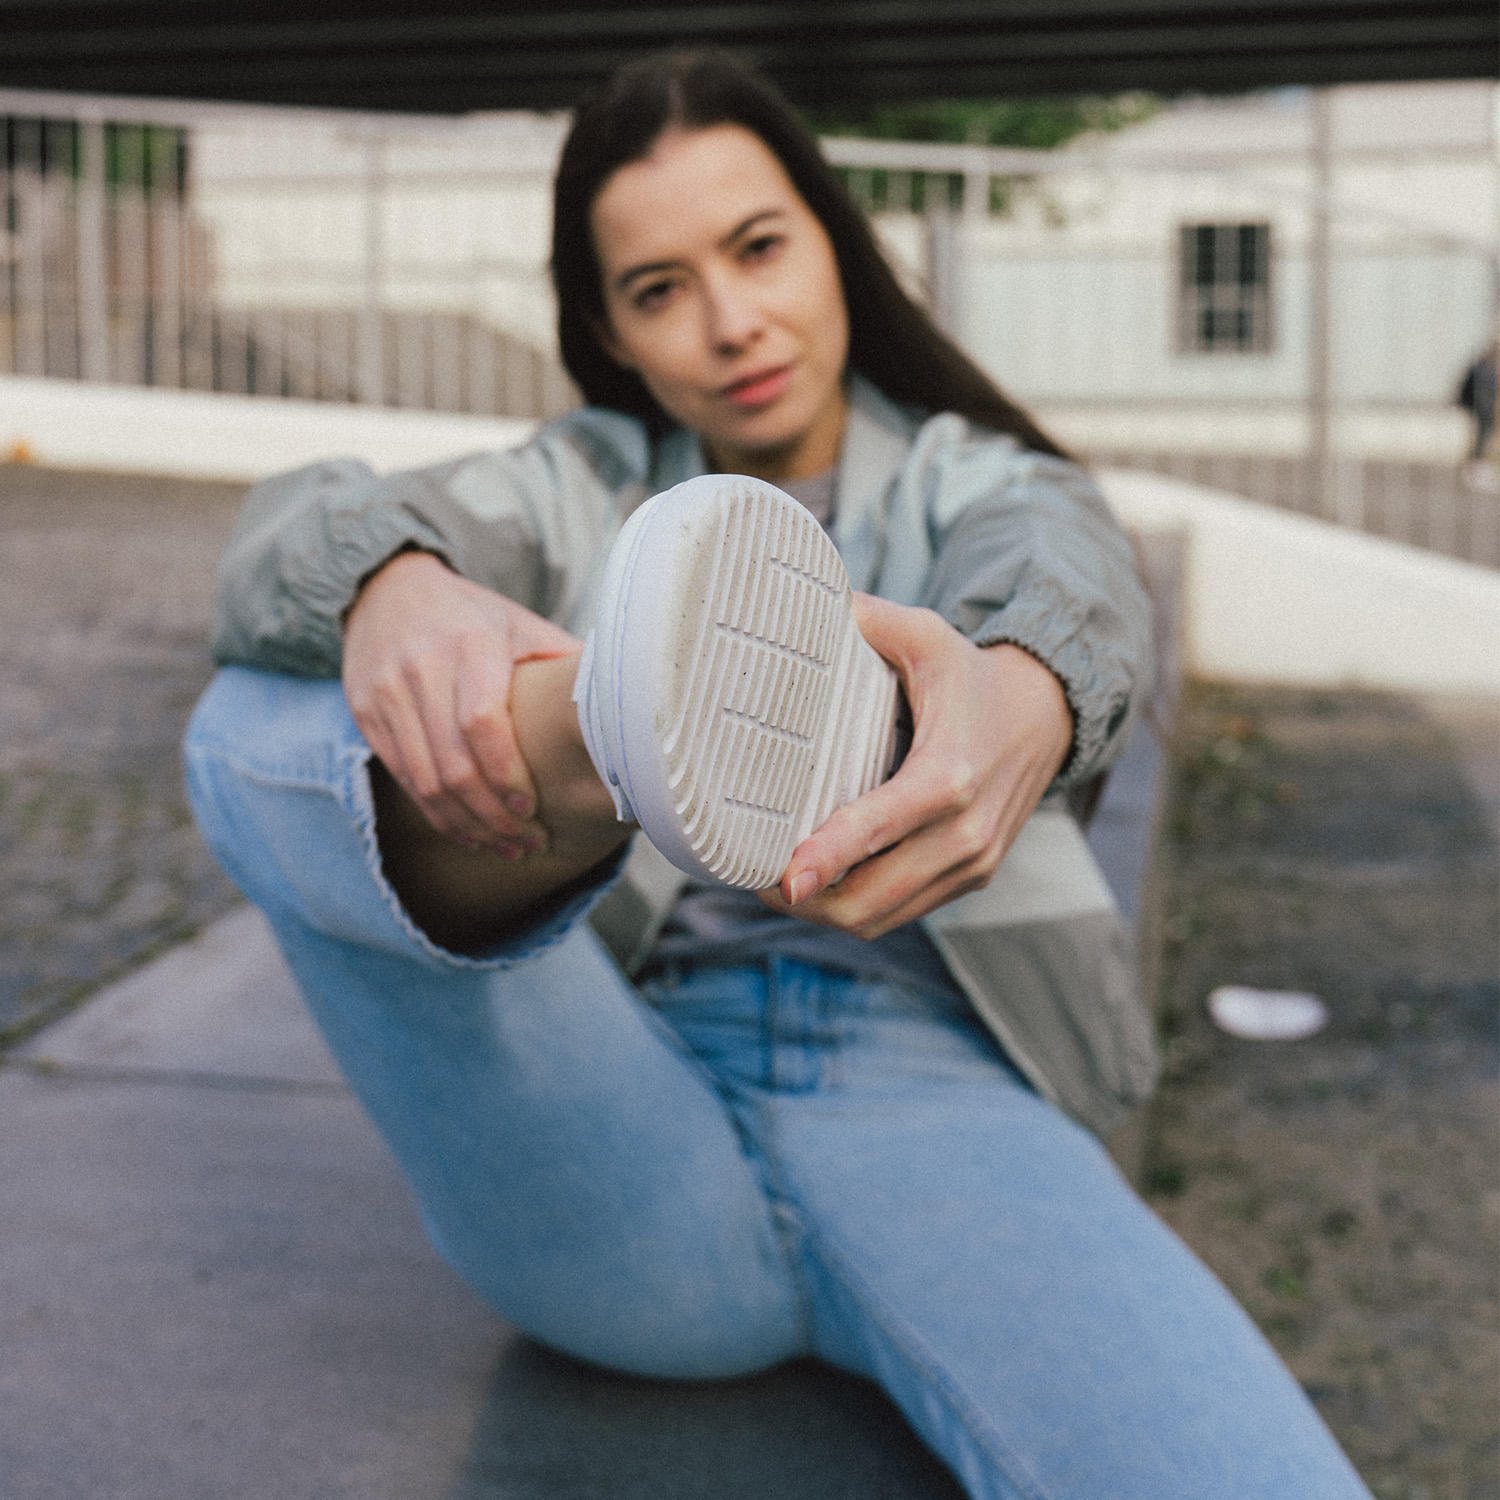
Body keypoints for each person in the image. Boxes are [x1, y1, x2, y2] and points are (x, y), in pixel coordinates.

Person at [185, 50, 1373, 1500]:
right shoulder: (578, 488)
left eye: (757, 248)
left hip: (933, 1097)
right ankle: (607, 732)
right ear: (612, 334)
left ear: (835, 245)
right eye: (657, 289)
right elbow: (287, 528)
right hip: (608, 1116)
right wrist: (390, 584)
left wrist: (1026, 692)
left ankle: (615, 714)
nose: (730, 322)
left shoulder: (968, 482)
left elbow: (1064, 568)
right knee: (258, 714)